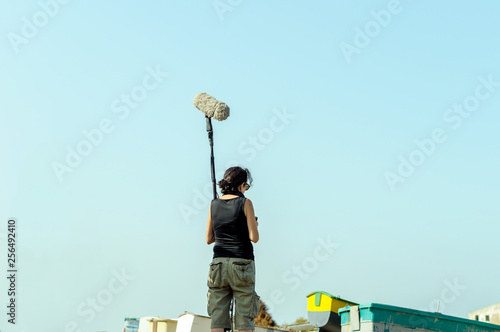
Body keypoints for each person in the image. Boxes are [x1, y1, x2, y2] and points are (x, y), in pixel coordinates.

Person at [206, 166, 260, 332]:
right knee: (244, 318)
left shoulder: (213, 204)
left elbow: (209, 239)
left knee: (218, 320)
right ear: (241, 185)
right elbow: (254, 237)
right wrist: (254, 225)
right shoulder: (245, 203)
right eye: (246, 187)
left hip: (218, 265)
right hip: (241, 263)